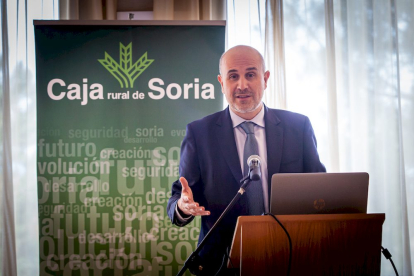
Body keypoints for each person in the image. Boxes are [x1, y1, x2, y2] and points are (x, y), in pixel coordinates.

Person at [167, 45, 326, 275]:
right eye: (233, 76)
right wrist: (183, 206)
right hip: (223, 263)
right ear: (222, 83)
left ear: (265, 78)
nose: (242, 85)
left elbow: (320, 192)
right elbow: (177, 200)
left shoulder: (298, 127)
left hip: (290, 256)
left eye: (250, 75)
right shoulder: (200, 133)